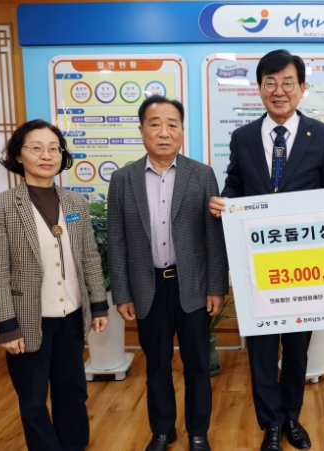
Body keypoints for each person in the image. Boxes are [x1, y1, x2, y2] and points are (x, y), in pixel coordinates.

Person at [209, 49, 324, 451]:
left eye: (287, 82)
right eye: (270, 82)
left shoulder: (322, 135)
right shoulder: (243, 137)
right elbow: (235, 185)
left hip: (304, 265)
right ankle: (270, 421)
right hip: (256, 264)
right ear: (259, 88)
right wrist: (224, 202)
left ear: (302, 88)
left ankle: (292, 417)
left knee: (298, 347)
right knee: (262, 348)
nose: (278, 91)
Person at [107, 96, 229, 451]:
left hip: (192, 286)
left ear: (181, 130)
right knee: (157, 365)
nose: (164, 132)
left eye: (172, 124)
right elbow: (116, 240)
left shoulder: (201, 174)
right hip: (147, 288)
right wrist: (122, 293)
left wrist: (216, 287)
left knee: (197, 364)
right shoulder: (123, 179)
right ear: (142, 129)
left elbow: (215, 237)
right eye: (155, 124)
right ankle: (162, 431)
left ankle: (198, 432)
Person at [0, 119, 109, 450]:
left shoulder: (75, 202)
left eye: (54, 148)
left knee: (73, 392)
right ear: (18, 155)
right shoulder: (1, 205)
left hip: (71, 317)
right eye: (36, 148)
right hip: (26, 321)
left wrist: (98, 305)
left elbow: (89, 257)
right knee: (34, 400)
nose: (46, 155)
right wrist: (7, 326)